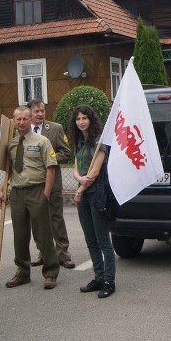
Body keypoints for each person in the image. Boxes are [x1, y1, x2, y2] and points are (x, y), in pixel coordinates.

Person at [2, 105, 60, 290]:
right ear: (13, 120)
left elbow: (50, 167)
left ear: (31, 119)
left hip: (37, 191)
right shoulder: (11, 144)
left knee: (43, 234)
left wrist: (46, 194)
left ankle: (50, 272)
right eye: (18, 119)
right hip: (17, 193)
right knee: (20, 235)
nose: (21, 122)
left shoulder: (42, 141)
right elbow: (9, 169)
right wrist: (3, 187)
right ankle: (23, 272)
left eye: (25, 118)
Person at [69, 104, 116, 298]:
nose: (81, 122)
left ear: (91, 119)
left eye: (84, 118)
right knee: (90, 239)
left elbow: (94, 173)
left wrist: (80, 189)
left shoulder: (99, 142)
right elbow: (75, 168)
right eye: (78, 119)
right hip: (84, 193)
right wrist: (79, 180)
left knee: (102, 239)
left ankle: (109, 281)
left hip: (96, 195)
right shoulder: (80, 142)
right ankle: (98, 277)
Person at [27, 99, 75, 269]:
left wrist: (49, 160)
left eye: (42, 111)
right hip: (33, 184)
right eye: (36, 111)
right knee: (38, 220)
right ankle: (44, 253)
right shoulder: (24, 131)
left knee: (56, 218)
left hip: (53, 182)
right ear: (29, 113)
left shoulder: (55, 129)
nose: (40, 114)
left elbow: (66, 152)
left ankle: (63, 254)